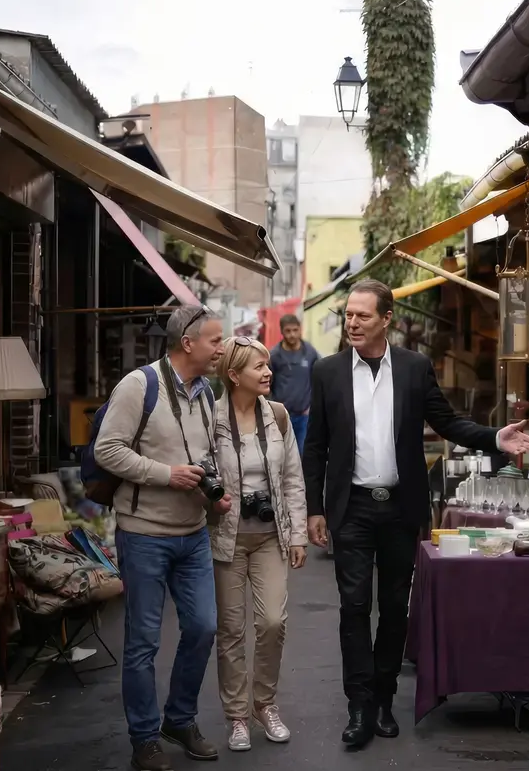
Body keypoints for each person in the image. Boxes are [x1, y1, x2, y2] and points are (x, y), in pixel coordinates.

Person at [302, 279, 529, 749]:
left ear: (386, 319)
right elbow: (316, 446)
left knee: (393, 608)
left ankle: (385, 698)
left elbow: (447, 423)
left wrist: (495, 438)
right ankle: (358, 704)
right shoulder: (327, 372)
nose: (352, 322)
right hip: (351, 508)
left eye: (362, 315)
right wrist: (313, 509)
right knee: (353, 608)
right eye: (348, 314)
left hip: (400, 507)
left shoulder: (414, 368)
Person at [94, 304, 233, 771]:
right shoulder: (139, 386)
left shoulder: (207, 393)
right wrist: (164, 474)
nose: (221, 348)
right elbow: (107, 450)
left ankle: (180, 718)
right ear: (187, 343)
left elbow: (203, 454)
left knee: (202, 628)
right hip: (144, 534)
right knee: (143, 642)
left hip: (192, 533)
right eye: (215, 340)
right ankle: (144, 739)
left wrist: (214, 494)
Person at [210, 336, 308, 752]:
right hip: (226, 537)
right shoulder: (209, 418)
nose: (269, 372)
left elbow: (292, 480)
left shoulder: (280, 416)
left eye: (268, 365)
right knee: (230, 631)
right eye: (258, 367)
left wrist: (298, 534)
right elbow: (201, 473)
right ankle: (236, 716)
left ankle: (264, 703)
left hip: (271, 536)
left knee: (272, 623)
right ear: (234, 376)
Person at [268, 314, 318, 453]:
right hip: (281, 416)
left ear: (300, 329)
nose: (292, 335)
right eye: (288, 331)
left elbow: (318, 379)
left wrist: (312, 405)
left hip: (304, 416)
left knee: (302, 453)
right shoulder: (275, 355)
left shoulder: (310, 352)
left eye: (295, 330)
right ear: (282, 331)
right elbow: (267, 383)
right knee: (281, 454)